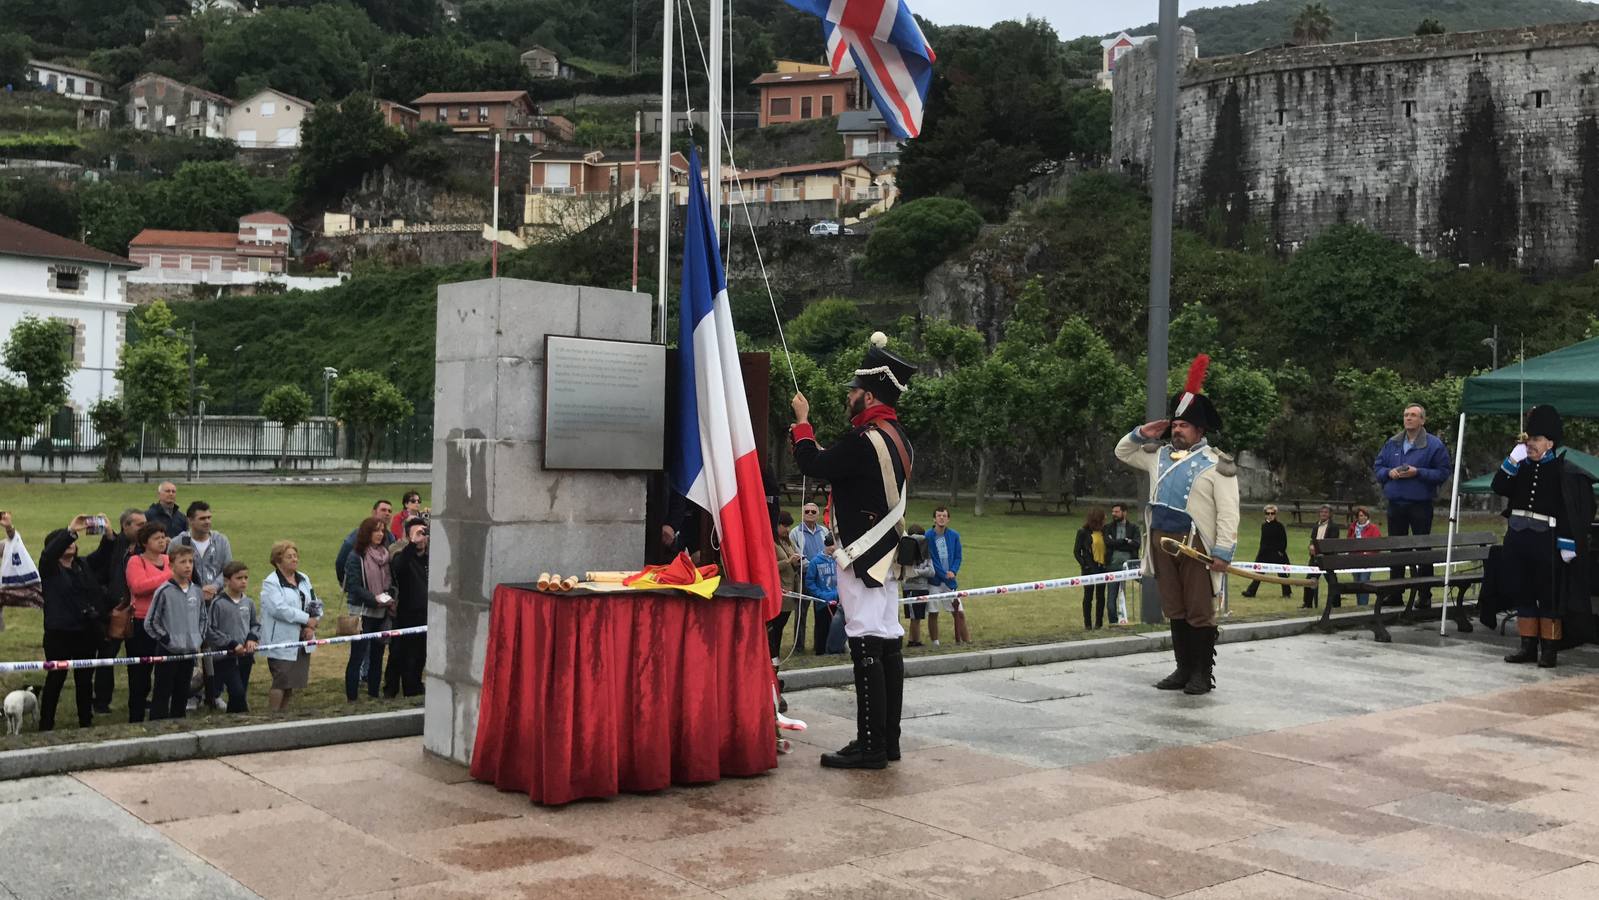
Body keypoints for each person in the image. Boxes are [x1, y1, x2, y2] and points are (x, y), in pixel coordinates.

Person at [791, 331, 915, 769]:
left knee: (864, 640)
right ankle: (888, 740)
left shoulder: (864, 441)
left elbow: (813, 464)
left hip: (861, 554)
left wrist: (801, 423)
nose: (849, 399)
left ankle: (870, 745)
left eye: (854, 392)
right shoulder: (898, 437)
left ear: (869, 395)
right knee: (887, 640)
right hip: (888, 555)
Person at [1115, 353, 1240, 696]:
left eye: (1184, 425)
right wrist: (1142, 432)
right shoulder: (1158, 454)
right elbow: (1123, 452)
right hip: (1161, 541)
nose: (1177, 429)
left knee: (1199, 611)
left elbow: (1229, 513)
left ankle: (1202, 673)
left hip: (1195, 544)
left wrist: (1222, 552)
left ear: (1199, 429)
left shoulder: (1218, 464)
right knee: (1176, 608)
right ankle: (1183, 669)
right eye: (1175, 424)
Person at [1493, 405, 1595, 668]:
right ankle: (1527, 645)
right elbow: (1499, 486)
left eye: (1536, 440)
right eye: (1528, 440)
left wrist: (1566, 540)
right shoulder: (1520, 466)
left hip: (1546, 538)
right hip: (1518, 535)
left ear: (1549, 443)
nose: (1530, 445)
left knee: (1548, 595)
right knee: (1523, 591)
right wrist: (1512, 461)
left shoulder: (1563, 471)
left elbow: (1569, 510)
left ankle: (1549, 649)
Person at [1372, 404, 1452, 607]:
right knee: (1396, 549)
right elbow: (1378, 466)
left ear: (1422, 420)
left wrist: (1419, 472)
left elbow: (1443, 472)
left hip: (1420, 505)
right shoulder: (1392, 443)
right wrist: (1388, 473)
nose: (1408, 418)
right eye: (1406, 415)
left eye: (1413, 415)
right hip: (1396, 503)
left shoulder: (1434, 445)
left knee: (1422, 549)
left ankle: (1424, 595)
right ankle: (1395, 592)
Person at [37, 517, 106, 731]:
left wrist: (110, 533)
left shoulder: (82, 565)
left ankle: (85, 721)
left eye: (72, 541)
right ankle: (46, 724)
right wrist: (69, 531)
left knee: (85, 680)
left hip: (85, 632)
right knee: (56, 679)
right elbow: (49, 554)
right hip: (60, 632)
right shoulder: (49, 569)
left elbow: (105, 555)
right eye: (64, 541)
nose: (70, 544)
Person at [172, 500, 233, 711]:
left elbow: (227, 569)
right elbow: (173, 571)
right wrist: (197, 591)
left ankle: (214, 692)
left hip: (215, 603)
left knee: (217, 649)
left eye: (209, 517)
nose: (207, 522)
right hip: (188, 605)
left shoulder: (221, 540)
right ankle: (191, 694)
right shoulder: (179, 541)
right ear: (190, 520)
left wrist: (214, 587)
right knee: (191, 650)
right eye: (202, 518)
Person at [85, 508, 144, 714]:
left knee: (139, 658)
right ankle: (101, 701)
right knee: (107, 657)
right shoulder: (116, 546)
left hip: (139, 612)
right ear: (125, 526)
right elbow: (107, 546)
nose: (144, 528)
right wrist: (108, 533)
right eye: (139, 524)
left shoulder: (146, 548)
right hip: (116, 611)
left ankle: (139, 698)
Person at [260, 541, 321, 712]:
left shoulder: (304, 578)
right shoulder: (271, 583)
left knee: (291, 682)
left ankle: (283, 715)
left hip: (302, 638)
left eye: (295, 556)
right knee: (281, 679)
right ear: (278, 561)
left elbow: (314, 601)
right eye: (289, 557)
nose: (294, 559)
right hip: (281, 639)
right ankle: (273, 715)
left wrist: (312, 624)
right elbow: (279, 609)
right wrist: (306, 619)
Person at [145, 544, 204, 720]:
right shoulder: (164, 591)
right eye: (183, 562)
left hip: (189, 650)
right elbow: (150, 622)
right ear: (171, 565)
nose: (188, 566)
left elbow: (203, 618)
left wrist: (197, 637)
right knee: (163, 690)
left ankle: (179, 721)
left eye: (191, 562)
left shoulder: (196, 591)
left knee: (183, 689)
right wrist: (166, 639)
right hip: (168, 651)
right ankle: (158, 724)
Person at [123, 523, 172, 722]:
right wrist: (170, 575)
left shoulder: (170, 560)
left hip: (168, 623)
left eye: (163, 537)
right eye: (156, 538)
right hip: (142, 623)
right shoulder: (136, 562)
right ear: (145, 542)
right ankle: (135, 716)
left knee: (165, 673)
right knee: (140, 676)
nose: (162, 541)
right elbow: (139, 587)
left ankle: (160, 715)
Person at [343, 516, 395, 701]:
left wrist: (388, 596)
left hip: (381, 612)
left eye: (383, 530)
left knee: (378, 655)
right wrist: (374, 599)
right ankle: (352, 697)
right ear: (367, 533)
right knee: (357, 656)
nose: (380, 534)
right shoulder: (356, 555)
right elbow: (354, 586)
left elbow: (389, 581)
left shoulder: (385, 554)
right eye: (376, 530)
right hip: (363, 613)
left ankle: (374, 693)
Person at [205, 561, 260, 713]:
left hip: (245, 655)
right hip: (226, 656)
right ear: (227, 581)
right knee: (237, 690)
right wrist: (231, 643)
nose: (243, 581)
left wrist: (252, 638)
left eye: (246, 578)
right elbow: (210, 629)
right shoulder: (218, 604)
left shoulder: (248, 603)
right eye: (239, 578)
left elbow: (255, 624)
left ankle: (236, 717)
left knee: (241, 690)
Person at [385, 518, 429, 697]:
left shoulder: (430, 557)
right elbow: (398, 567)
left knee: (420, 655)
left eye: (424, 533)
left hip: (425, 614)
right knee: (399, 654)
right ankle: (391, 689)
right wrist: (412, 544)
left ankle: (414, 687)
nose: (422, 537)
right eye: (418, 533)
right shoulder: (400, 553)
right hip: (405, 613)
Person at [788, 502, 831, 653]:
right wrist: (813, 566)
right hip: (804, 576)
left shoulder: (824, 531)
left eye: (814, 511)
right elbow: (797, 553)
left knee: (822, 611)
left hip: (823, 577)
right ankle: (798, 646)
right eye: (807, 511)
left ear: (818, 514)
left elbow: (829, 550)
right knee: (802, 611)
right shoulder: (795, 532)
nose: (810, 514)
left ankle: (821, 644)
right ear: (802, 513)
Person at [926, 506, 967, 646]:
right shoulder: (928, 536)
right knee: (933, 611)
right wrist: (944, 574)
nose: (941, 518)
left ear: (948, 519)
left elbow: (958, 556)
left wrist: (953, 571)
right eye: (939, 515)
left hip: (950, 580)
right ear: (934, 518)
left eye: (944, 516)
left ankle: (966, 640)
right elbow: (931, 559)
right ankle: (935, 642)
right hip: (935, 581)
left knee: (959, 611)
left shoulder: (954, 536)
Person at [335, 499, 395, 587]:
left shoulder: (390, 537)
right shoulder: (357, 535)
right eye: (383, 510)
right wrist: (347, 583)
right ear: (374, 512)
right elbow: (340, 561)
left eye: (389, 511)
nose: (387, 513)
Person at [768, 512, 802, 659]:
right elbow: (768, 567)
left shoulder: (787, 541)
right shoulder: (771, 543)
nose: (787, 529)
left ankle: (775, 655)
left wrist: (797, 560)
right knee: (774, 627)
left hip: (791, 590)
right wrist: (787, 561)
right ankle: (772, 656)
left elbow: (793, 557)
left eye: (789, 526)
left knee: (780, 627)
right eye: (784, 526)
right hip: (779, 590)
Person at [1240, 505, 1292, 599]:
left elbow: (1284, 541)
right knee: (1259, 574)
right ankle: (1251, 592)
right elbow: (1263, 542)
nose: (1270, 515)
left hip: (1277, 553)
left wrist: (1280, 551)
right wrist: (1260, 555)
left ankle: (1287, 593)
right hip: (1265, 553)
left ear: (1275, 514)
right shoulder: (1264, 526)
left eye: (1272, 513)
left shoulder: (1280, 526)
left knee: (1282, 574)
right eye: (1268, 513)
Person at [804, 535, 841, 656]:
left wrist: (838, 594)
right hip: (822, 601)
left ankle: (837, 649)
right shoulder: (815, 561)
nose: (833, 548)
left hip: (838, 599)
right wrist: (821, 595)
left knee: (838, 625)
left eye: (835, 546)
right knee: (822, 626)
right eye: (831, 546)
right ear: (826, 545)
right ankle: (820, 649)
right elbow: (809, 582)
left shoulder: (839, 561)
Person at [1104, 503, 1141, 625]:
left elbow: (1136, 544)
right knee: (1111, 598)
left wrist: (1118, 543)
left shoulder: (1134, 528)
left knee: (1148, 584)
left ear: (1124, 512)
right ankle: (1113, 623)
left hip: (1131, 566)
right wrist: (1125, 541)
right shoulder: (1108, 527)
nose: (1113, 514)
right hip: (1113, 566)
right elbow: (1109, 543)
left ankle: (1151, 616)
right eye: (1113, 511)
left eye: (1116, 511)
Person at [1074, 508, 1110, 630]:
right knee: (1088, 596)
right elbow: (1076, 552)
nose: (1106, 520)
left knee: (1101, 596)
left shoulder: (1104, 531)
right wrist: (1085, 565)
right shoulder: (1083, 532)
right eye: (1104, 518)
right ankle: (1087, 624)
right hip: (1089, 569)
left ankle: (1099, 623)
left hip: (1102, 568)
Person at [899, 525, 934, 647]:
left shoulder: (926, 553)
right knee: (914, 617)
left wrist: (917, 572)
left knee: (918, 617)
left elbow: (931, 571)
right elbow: (905, 573)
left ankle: (913, 639)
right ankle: (915, 641)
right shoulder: (905, 553)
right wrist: (914, 573)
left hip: (922, 588)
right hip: (910, 588)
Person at [1303, 505, 1337, 609]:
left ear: (1330, 514)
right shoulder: (1315, 526)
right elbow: (1312, 539)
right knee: (1309, 580)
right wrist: (1311, 547)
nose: (1323, 514)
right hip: (1315, 558)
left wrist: (1319, 550)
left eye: (1326, 512)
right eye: (1322, 512)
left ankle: (1336, 605)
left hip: (1327, 559)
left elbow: (1331, 543)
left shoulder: (1333, 527)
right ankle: (1307, 604)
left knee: (1332, 582)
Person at [1346, 507, 1381, 606]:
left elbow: (1377, 544)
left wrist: (1368, 553)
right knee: (1357, 583)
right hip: (1355, 559)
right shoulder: (1353, 528)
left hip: (1367, 560)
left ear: (1367, 516)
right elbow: (1348, 542)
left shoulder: (1373, 528)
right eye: (1360, 516)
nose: (1362, 517)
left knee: (1364, 582)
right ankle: (1359, 605)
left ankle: (1363, 605)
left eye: (1364, 515)